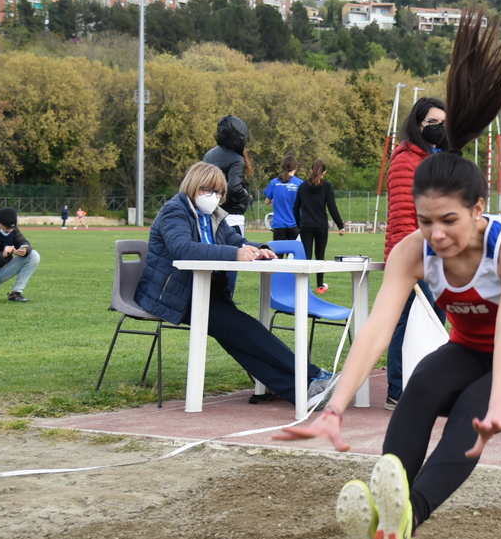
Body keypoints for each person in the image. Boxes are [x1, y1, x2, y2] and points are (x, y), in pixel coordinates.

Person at [276, 8, 501, 539]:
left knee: (473, 405)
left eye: (450, 221)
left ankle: (411, 518)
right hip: (470, 351)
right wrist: (334, 408)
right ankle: (386, 517)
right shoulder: (414, 251)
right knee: (422, 384)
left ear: (478, 210)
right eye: (427, 220)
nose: (437, 235)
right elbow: (375, 331)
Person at [134, 162, 334, 407]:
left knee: (239, 338)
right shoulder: (175, 211)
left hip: (207, 290)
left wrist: (259, 249)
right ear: (193, 186)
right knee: (245, 330)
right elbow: (182, 248)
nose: (214, 197)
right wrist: (234, 254)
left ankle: (301, 391)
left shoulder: (214, 215)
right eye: (208, 190)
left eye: (219, 192)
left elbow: (236, 240)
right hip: (175, 294)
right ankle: (313, 376)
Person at [383, 96, 449, 409]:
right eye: (432, 123)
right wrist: (410, 261)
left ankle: (426, 386)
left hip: (442, 256)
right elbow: (401, 215)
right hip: (415, 257)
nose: (439, 128)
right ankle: (398, 390)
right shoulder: (406, 159)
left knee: (434, 322)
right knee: (408, 321)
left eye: (443, 123)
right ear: (417, 124)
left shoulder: (439, 158)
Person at [295, 159, 346, 293]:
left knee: (306, 256)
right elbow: (332, 207)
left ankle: (304, 285)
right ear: (324, 172)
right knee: (320, 255)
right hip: (321, 225)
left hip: (306, 225)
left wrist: (299, 224)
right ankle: (319, 286)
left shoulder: (303, 186)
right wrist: (340, 225)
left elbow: (296, 207)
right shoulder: (327, 187)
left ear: (311, 170)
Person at [203, 115, 254, 233]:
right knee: (236, 244)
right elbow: (234, 187)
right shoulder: (236, 158)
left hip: (211, 213)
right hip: (232, 216)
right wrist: (245, 196)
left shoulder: (209, 155)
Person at [264, 154, 301, 241]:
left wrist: (276, 200)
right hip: (295, 224)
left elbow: (267, 201)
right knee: (293, 249)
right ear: (296, 167)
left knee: (278, 250)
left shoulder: (274, 182)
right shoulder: (300, 183)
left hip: (279, 224)